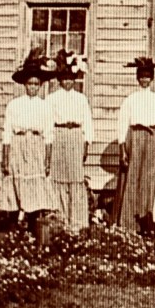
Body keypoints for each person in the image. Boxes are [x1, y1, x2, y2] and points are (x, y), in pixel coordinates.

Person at [0, 49, 57, 234]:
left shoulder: (45, 106)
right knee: (15, 183)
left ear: (40, 86)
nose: (33, 87)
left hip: (36, 147)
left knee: (34, 188)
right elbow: (7, 132)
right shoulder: (14, 104)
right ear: (24, 84)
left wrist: (47, 160)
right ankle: (12, 228)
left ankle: (33, 229)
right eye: (30, 84)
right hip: (18, 145)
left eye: (36, 84)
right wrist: (5, 158)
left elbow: (49, 135)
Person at [114, 56, 155, 234]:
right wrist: (122, 149)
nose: (145, 79)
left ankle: (150, 222)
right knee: (133, 177)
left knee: (150, 179)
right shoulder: (130, 99)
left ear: (152, 78)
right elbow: (122, 125)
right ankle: (129, 222)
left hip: (153, 140)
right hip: (135, 138)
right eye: (142, 76)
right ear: (137, 78)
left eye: (148, 76)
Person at [47, 49, 94, 232]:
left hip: (75, 135)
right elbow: (48, 123)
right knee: (58, 177)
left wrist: (86, 144)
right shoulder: (51, 99)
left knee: (75, 178)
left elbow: (87, 123)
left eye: (70, 79)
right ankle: (60, 221)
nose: (67, 82)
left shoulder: (81, 99)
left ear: (75, 79)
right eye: (64, 79)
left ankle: (77, 224)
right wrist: (49, 146)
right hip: (59, 135)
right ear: (59, 80)